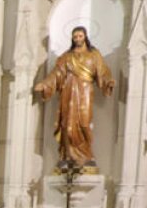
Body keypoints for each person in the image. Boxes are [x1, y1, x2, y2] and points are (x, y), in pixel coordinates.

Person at [33, 25, 116, 168]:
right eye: (75, 36)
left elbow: (102, 72)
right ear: (72, 38)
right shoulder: (67, 57)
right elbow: (56, 74)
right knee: (67, 124)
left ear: (85, 37)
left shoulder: (94, 55)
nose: (78, 39)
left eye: (80, 36)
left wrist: (108, 81)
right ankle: (66, 156)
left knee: (84, 123)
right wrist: (45, 84)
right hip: (68, 91)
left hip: (85, 91)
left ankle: (86, 155)